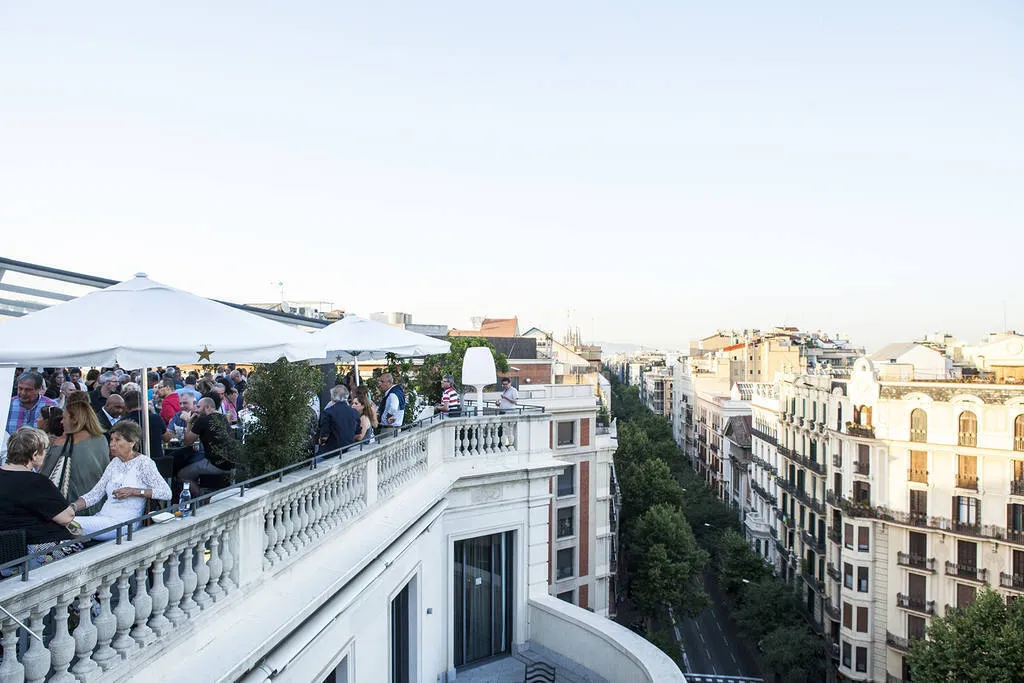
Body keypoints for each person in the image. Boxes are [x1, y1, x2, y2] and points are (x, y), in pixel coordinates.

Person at [72, 420, 171, 541]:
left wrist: (133, 491)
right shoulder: (115, 462)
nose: (112, 444)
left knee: (69, 523)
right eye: (111, 439)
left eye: (117, 440)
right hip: (103, 519)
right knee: (63, 522)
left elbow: (166, 493)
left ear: (132, 442)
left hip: (124, 524)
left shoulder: (144, 463)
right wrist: (72, 507)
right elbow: (95, 494)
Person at [0, 428, 78, 568]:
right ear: (35, 455)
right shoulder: (36, 482)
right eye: (44, 451)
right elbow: (66, 517)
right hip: (35, 551)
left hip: (6, 552)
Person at [39, 400, 110, 515]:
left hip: (70, 508)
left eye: (64, 418)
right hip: (97, 504)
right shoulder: (101, 439)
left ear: (75, 420)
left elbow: (45, 476)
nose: (61, 422)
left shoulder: (61, 444)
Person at [177, 397, 236, 485]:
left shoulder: (202, 420)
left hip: (215, 465)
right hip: (230, 464)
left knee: (181, 475)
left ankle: (198, 498)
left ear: (208, 407)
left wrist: (189, 422)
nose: (196, 410)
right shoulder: (222, 418)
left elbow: (187, 442)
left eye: (198, 407)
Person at [122, 389, 166, 458]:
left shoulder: (122, 423)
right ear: (143, 402)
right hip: (157, 462)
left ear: (125, 406)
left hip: (132, 463)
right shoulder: (156, 418)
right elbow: (166, 438)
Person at [318, 386, 360, 454]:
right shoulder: (354, 412)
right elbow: (358, 433)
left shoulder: (328, 412)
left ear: (332, 397)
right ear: (347, 396)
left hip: (331, 451)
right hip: (349, 450)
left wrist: (320, 441)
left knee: (314, 462)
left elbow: (324, 436)